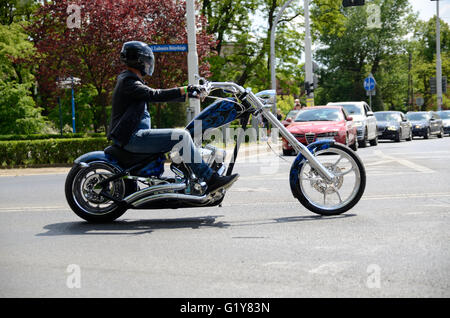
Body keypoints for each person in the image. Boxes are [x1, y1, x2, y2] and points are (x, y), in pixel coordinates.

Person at [107, 41, 238, 193]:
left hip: (134, 136)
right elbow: (153, 94)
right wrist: (185, 89)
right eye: (147, 60)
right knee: (181, 136)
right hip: (133, 137)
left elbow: (153, 94)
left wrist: (189, 93)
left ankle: (193, 175)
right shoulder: (128, 81)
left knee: (183, 135)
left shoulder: (130, 80)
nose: (149, 64)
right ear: (140, 61)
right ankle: (210, 179)